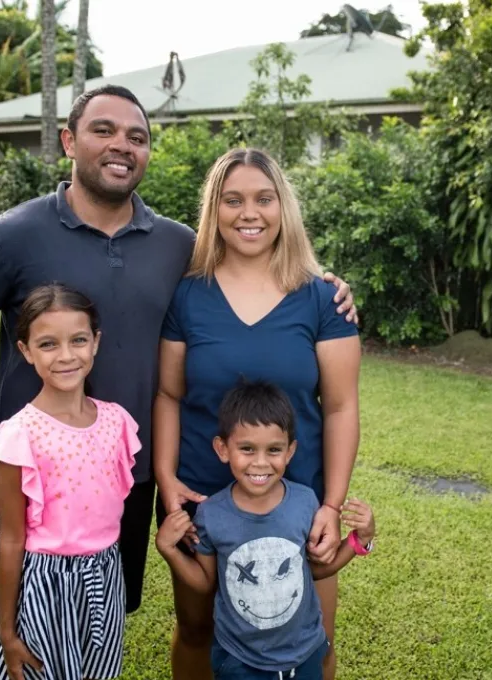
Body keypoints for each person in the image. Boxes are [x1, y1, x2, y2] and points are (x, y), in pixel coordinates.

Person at [0, 85, 355, 673]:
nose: (120, 145)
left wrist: (324, 282)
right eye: (103, 130)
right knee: (36, 625)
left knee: (106, 621)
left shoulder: (177, 246)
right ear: (70, 142)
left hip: (131, 479)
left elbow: (255, 263)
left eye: (137, 136)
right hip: (41, 485)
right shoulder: (12, 236)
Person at [154, 148, 362, 680]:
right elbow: (169, 396)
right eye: (233, 200)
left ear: (282, 206)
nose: (250, 213)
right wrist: (166, 479)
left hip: (300, 501)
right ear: (214, 210)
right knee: (198, 630)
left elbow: (340, 407)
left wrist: (332, 506)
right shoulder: (188, 295)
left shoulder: (322, 299)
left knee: (314, 640)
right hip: (203, 496)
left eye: (264, 199)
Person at [155, 381, 375, 680]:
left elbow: (315, 571)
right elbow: (206, 582)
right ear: (223, 449)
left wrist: (358, 541)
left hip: (304, 653)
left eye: (274, 450)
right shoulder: (212, 513)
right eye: (247, 449)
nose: (260, 462)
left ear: (290, 451)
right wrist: (168, 549)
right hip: (239, 660)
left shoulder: (305, 502)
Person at [0, 283, 137, 680]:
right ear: (26, 351)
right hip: (44, 584)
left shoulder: (116, 421)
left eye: (78, 340)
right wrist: (6, 629)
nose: (66, 356)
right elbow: (11, 539)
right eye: (48, 344)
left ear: (95, 343)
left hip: (104, 579)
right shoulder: (20, 433)